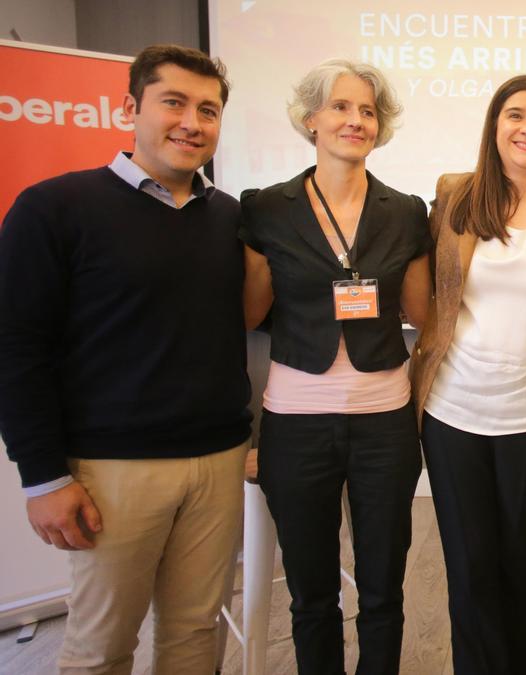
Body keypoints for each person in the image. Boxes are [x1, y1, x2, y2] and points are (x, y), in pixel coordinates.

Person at [0, 44, 250, 673]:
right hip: (111, 470)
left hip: (217, 463)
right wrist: (44, 477)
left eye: (209, 110)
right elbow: (16, 347)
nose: (192, 122)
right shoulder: (54, 208)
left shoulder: (231, 219)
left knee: (197, 634)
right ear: (130, 108)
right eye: (174, 103)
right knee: (102, 647)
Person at [239, 59, 432, 675]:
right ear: (311, 119)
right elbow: (248, 315)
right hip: (294, 423)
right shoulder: (267, 208)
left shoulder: (405, 211)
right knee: (311, 595)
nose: (356, 120)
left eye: (368, 110)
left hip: (385, 424)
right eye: (342, 107)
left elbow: (422, 311)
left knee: (383, 589)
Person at [408, 74, 526, 674]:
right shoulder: (456, 195)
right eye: (516, 115)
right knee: (468, 564)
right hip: (452, 409)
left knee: (519, 556)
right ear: (496, 125)